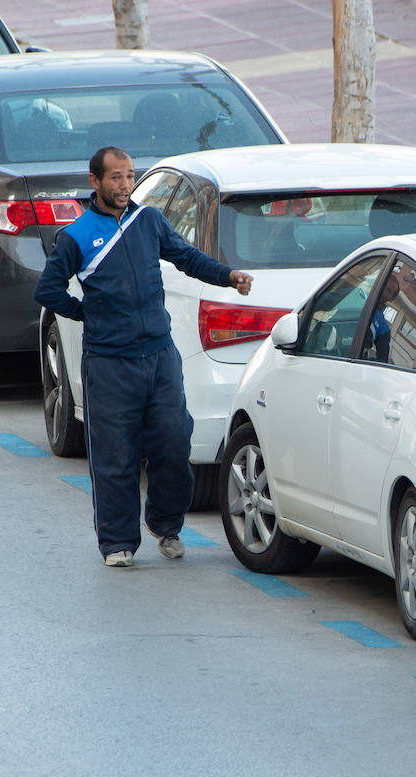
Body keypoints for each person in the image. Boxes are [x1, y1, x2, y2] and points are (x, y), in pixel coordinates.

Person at [33, 146, 253, 567]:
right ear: (95, 182)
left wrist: (227, 276)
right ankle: (117, 542)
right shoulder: (77, 236)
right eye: (115, 177)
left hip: (159, 356)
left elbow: (186, 258)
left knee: (174, 440)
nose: (124, 185)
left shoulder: (147, 220)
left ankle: (165, 522)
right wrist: (87, 313)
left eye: (130, 176)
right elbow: (47, 290)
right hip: (109, 363)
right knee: (115, 456)